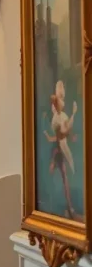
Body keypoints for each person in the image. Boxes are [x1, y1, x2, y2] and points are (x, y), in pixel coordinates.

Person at [43, 79, 77, 216]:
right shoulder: (55, 118)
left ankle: (69, 207)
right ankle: (55, 205)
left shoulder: (63, 116)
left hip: (61, 150)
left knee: (65, 178)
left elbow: (65, 133)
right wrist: (48, 135)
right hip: (56, 151)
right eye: (58, 99)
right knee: (53, 176)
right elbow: (56, 136)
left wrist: (69, 135)